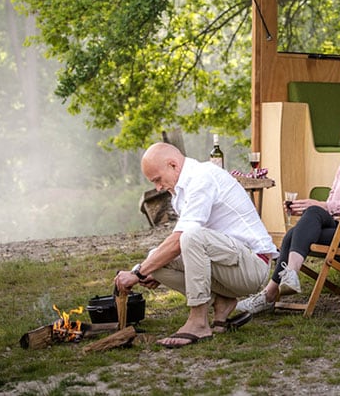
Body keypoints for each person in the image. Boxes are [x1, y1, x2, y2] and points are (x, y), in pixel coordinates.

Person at [114, 142, 278, 348]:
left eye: (157, 179)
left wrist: (137, 274)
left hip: (253, 266)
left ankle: (199, 322)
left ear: (173, 165)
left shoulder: (202, 177)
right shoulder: (180, 193)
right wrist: (144, 269)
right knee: (155, 257)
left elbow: (181, 240)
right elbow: (177, 247)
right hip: (229, 264)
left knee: (189, 237)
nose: (158, 187)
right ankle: (222, 301)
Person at [236, 116, 340, 315]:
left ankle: (272, 292)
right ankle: (285, 280)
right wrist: (307, 209)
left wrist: (321, 206)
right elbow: (332, 198)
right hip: (339, 226)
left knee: (299, 228)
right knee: (305, 221)